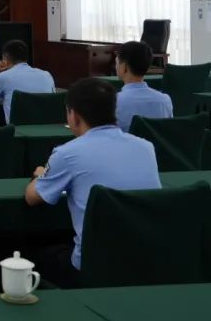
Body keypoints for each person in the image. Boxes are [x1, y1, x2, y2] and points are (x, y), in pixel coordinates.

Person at [26, 78, 161, 288]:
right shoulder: (146, 147)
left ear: (73, 116)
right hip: (146, 263)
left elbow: (32, 197)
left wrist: (40, 175)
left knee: (34, 256)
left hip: (93, 268)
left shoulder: (67, 153)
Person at [0, 40, 56, 123]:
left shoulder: (2, 77)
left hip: (18, 130)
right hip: (47, 127)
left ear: (4, 59)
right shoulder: (47, 75)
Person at [114, 40, 173, 132]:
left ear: (124, 67)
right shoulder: (165, 100)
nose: (116, 67)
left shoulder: (114, 102)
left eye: (117, 63)